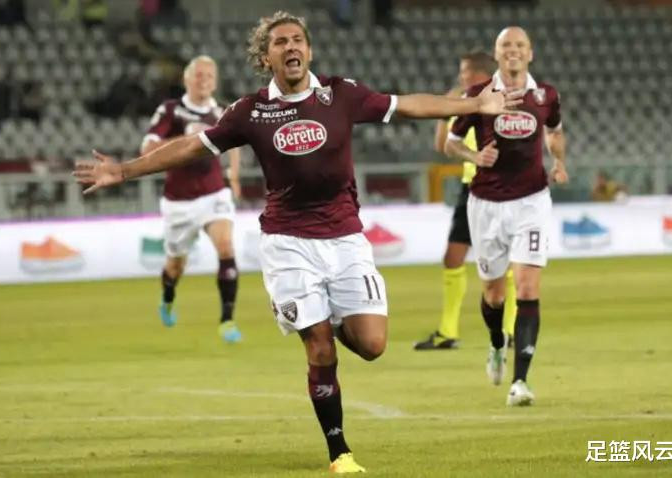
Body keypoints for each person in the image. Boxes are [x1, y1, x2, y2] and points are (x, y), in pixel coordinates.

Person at [74, 11, 521, 473]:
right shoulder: (250, 111)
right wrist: (124, 170)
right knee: (320, 347)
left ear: (309, 50)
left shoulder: (341, 94)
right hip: (288, 243)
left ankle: (323, 315)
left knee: (372, 344)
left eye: (297, 40)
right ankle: (339, 451)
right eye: (280, 42)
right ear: (265, 57)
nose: (290, 47)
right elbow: (192, 146)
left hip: (345, 239)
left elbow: (407, 105)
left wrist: (474, 105)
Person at [445, 27, 568, 406]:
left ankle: (520, 382)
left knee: (527, 288)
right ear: (497, 54)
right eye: (506, 46)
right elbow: (450, 143)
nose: (513, 51)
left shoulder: (545, 95)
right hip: (486, 204)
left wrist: (559, 161)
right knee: (494, 295)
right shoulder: (478, 95)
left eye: (519, 45)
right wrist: (474, 156)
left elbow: (555, 131)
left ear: (530, 53)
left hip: (531, 201)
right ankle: (497, 343)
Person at [414, 50, 518, 352]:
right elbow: (442, 146)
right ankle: (448, 332)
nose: (461, 77)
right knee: (453, 258)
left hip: (500, 189)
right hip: (470, 189)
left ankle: (511, 330)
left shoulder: (502, 100)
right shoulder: (465, 102)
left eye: (465, 72)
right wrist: (445, 112)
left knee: (504, 262)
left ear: (480, 74)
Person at [140, 55, 243, 343]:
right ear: (186, 79)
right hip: (179, 202)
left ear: (215, 82)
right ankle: (168, 297)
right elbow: (147, 148)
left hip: (214, 193)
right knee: (175, 265)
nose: (204, 80)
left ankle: (227, 320)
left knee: (226, 247)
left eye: (209, 76)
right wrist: (187, 138)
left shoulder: (222, 113)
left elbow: (235, 143)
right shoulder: (171, 111)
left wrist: (234, 175)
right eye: (199, 75)